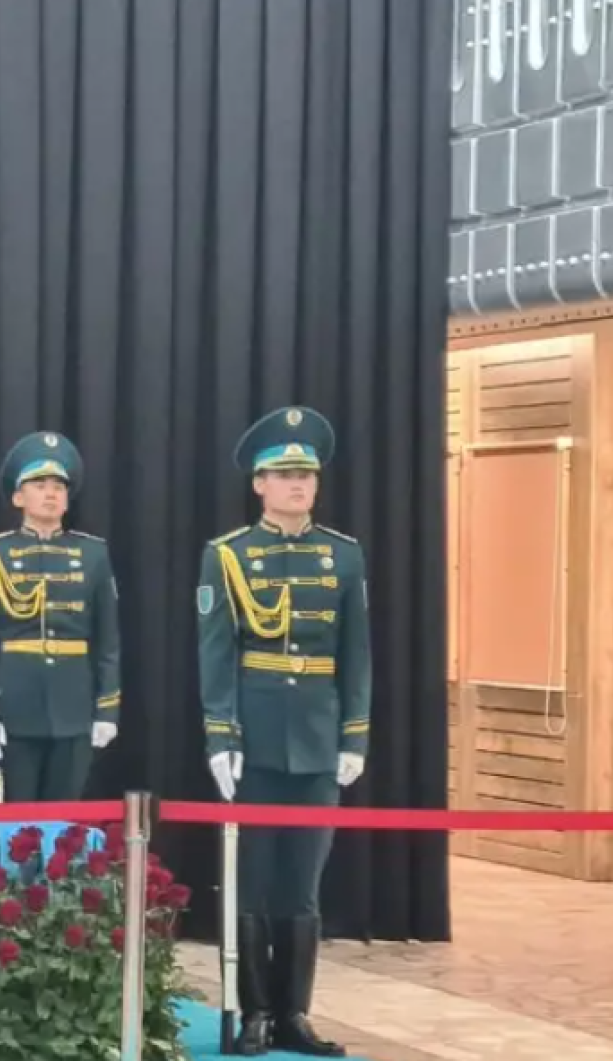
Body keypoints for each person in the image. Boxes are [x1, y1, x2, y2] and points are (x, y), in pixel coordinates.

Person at [195, 405, 370, 1058]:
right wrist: (221, 736)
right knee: (252, 883)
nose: (298, 484)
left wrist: (354, 736)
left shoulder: (343, 556)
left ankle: (295, 1013)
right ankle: (256, 1013)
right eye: (285, 474)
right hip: (255, 741)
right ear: (259, 484)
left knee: (302, 888)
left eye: (307, 474)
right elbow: (216, 654)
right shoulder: (229, 556)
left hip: (319, 743)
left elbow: (356, 655)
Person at [0, 431, 121, 801]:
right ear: (18, 497)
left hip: (74, 704)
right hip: (15, 705)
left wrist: (107, 709)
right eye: (39, 485)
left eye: (58, 487)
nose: (51, 494)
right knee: (20, 821)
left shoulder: (93, 554)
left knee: (66, 817)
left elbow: (108, 642)